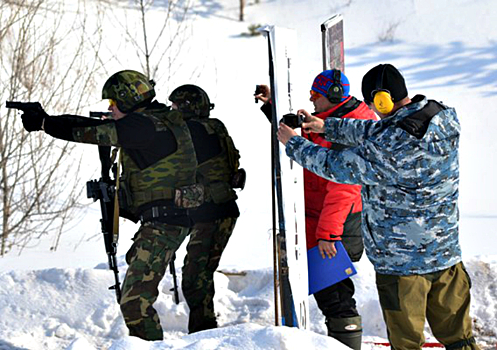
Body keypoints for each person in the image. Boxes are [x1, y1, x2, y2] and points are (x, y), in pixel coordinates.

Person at [277, 64, 480, 350]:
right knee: (461, 341)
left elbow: (337, 167)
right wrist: (327, 126)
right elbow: (379, 129)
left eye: (374, 103)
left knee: (406, 345)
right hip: (446, 255)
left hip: (402, 266)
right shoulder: (439, 117)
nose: (374, 109)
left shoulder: (389, 146)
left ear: (382, 99)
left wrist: (295, 144)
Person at [19, 70, 202, 341]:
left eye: (114, 103)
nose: (110, 109)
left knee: (134, 302)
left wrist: (46, 123)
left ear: (129, 100)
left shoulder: (144, 127)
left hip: (166, 221)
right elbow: (99, 126)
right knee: (135, 295)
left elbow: (92, 132)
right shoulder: (158, 120)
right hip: (168, 218)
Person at [255, 70, 377, 350]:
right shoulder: (334, 119)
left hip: (336, 222)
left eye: (315, 97)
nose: (311, 102)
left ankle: (346, 345)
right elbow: (313, 149)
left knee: (334, 294)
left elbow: (343, 187)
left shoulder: (349, 126)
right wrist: (273, 108)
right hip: (322, 219)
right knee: (330, 291)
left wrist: (328, 235)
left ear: (333, 96)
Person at [168, 84, 244, 334]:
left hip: (212, 212)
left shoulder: (195, 131)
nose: (172, 111)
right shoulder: (214, 127)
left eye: (176, 107)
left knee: (195, 277)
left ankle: (204, 333)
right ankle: (205, 329)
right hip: (218, 210)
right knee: (199, 273)